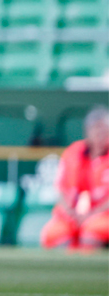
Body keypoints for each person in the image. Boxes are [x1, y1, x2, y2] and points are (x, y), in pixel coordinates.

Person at [41, 106, 109, 249]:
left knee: (92, 232)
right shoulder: (73, 152)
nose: (99, 133)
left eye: (103, 129)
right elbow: (61, 189)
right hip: (71, 215)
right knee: (55, 234)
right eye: (95, 129)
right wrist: (71, 213)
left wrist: (92, 215)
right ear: (87, 131)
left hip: (102, 215)